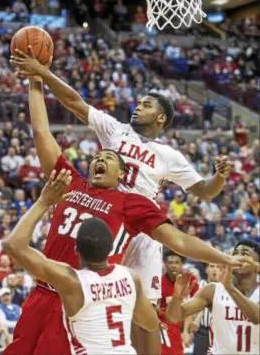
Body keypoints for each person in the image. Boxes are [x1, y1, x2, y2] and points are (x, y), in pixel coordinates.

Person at [12, 47, 232, 353]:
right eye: (138, 102)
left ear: (161, 117)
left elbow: (205, 192)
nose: (137, 107)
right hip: (103, 217)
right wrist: (43, 75)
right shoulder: (114, 130)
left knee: (145, 314)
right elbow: (73, 102)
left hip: (141, 227)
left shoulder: (169, 155)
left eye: (146, 105)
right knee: (89, 296)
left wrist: (219, 177)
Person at [3, 168, 159, 354]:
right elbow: (150, 323)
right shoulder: (129, 277)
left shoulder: (72, 282)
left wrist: (43, 202)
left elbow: (12, 244)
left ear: (76, 249)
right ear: (111, 249)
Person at [166, 240, 260, 355]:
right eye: (235, 254)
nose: (238, 257)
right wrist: (176, 297)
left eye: (245, 254)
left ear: (257, 265)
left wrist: (229, 288)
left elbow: (256, 317)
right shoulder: (213, 290)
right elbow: (173, 317)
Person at [159, 250, 199, 355]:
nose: (173, 266)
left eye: (177, 263)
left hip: (187, 319)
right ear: (165, 264)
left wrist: (186, 331)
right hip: (166, 323)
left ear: (182, 264)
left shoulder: (190, 279)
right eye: (170, 262)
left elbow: (195, 306)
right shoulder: (159, 282)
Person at [189, 264, 221, 355]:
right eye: (212, 266)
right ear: (206, 269)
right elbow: (193, 306)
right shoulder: (201, 284)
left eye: (217, 267)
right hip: (202, 330)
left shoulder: (224, 287)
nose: (215, 269)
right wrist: (195, 320)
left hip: (219, 332)